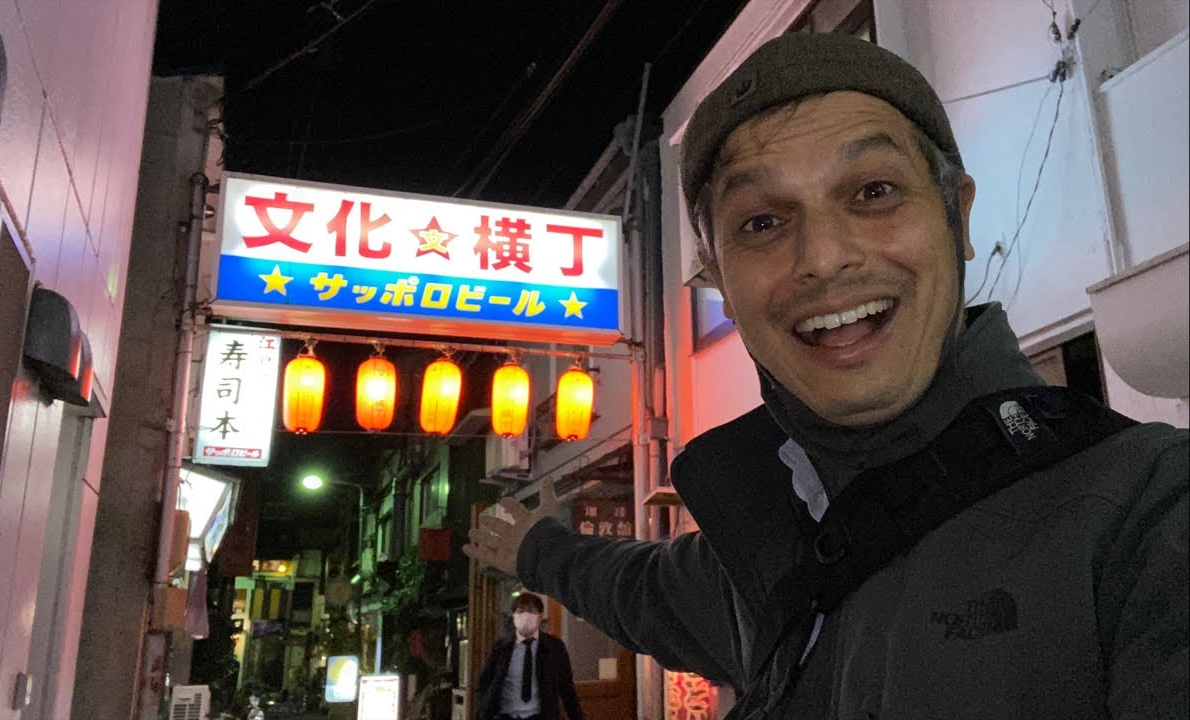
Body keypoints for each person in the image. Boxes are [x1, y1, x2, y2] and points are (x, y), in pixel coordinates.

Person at [463, 31, 1188, 720]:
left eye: (873, 191)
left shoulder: (1150, 515)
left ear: (956, 217)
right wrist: (529, 546)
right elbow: (636, 589)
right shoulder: (765, 559)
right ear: (717, 278)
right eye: (761, 223)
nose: (824, 257)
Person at [474, 592, 585, 720]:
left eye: (531, 611)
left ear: (540, 616)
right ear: (514, 616)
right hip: (506, 716)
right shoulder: (501, 647)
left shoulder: (554, 647)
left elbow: (567, 689)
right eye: (521, 611)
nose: (525, 615)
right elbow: (485, 683)